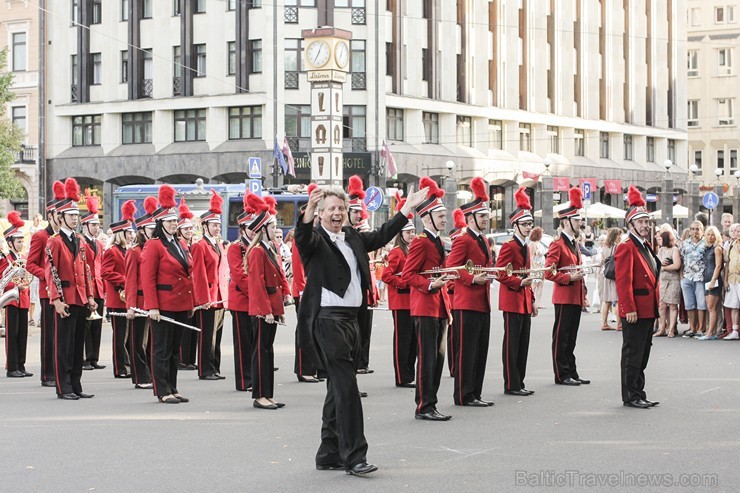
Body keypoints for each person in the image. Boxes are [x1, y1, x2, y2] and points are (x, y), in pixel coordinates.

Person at [295, 184, 426, 476]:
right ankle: (354, 457)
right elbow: (301, 236)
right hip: (327, 322)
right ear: (321, 213)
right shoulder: (314, 239)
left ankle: (328, 453)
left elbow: (380, 236)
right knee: (348, 390)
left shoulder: (351, 235)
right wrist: (308, 211)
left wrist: (406, 209)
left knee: (337, 389)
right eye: (331, 209)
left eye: (341, 208)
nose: (337, 213)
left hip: (353, 320)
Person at [402, 177, 455, 421]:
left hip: (440, 307)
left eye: (445, 215)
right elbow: (408, 275)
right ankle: (424, 405)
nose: (445, 220)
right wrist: (432, 284)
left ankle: (431, 403)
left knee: (439, 359)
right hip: (425, 307)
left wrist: (447, 276)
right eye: (441, 216)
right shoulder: (421, 243)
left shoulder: (438, 242)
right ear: (427, 218)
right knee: (427, 360)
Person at [140, 185, 195, 404]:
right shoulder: (154, 246)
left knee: (174, 350)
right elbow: (148, 277)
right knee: (161, 349)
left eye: (175, 221)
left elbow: (187, 273)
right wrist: (152, 306)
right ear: (161, 224)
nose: (174, 224)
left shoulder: (181, 243)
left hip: (181, 303)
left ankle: (173, 386)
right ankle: (162, 390)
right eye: (170, 221)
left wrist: (191, 301)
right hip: (163, 305)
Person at [46, 178, 97, 400]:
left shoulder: (80, 239)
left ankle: (76, 384)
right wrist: (56, 299)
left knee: (77, 345)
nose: (75, 219)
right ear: (61, 217)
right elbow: (51, 272)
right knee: (63, 345)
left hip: (80, 298)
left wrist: (91, 295)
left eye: (77, 216)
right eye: (71, 216)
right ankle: (63, 386)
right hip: (65, 298)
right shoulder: (54, 241)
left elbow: (86, 269)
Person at [446, 177, 494, 407]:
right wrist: (472, 277)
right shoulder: (463, 240)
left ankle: (475, 392)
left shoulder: (484, 239)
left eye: (486, 216)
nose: (486, 219)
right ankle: (464, 395)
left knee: (480, 351)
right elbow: (451, 268)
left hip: (482, 301)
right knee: (466, 352)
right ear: (471, 218)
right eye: (482, 216)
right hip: (466, 302)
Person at [615, 187, 660, 409]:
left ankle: (639, 392)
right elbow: (623, 282)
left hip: (648, 308)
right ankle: (631, 395)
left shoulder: (645, 245)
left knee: (643, 354)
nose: (645, 225)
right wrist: (628, 308)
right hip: (635, 310)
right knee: (633, 354)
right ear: (631, 224)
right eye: (641, 222)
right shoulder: (626, 247)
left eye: (647, 221)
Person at [245, 194, 290, 410]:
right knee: (260, 351)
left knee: (267, 350)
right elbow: (257, 283)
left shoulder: (269, 249)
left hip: (271, 307)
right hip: (263, 310)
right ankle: (260, 395)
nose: (276, 230)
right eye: (272, 227)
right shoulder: (256, 251)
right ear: (263, 229)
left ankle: (268, 393)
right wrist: (266, 310)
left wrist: (278, 308)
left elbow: (278, 280)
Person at [544, 187, 589, 386]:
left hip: (575, 296)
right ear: (566, 222)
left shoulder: (575, 243)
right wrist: (569, 278)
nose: (580, 223)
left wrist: (583, 289)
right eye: (577, 220)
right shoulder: (557, 244)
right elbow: (548, 272)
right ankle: (561, 374)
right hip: (563, 297)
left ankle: (571, 371)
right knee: (561, 337)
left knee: (571, 338)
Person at [496, 188, 537, 396]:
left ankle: (519, 381)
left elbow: (526, 273)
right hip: (512, 300)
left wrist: (533, 299)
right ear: (515, 225)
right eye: (524, 224)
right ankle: (511, 383)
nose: (528, 227)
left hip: (524, 300)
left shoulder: (526, 246)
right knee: (512, 345)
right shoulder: (509, 246)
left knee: (523, 344)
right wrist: (521, 283)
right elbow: (501, 274)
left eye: (530, 224)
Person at [26, 180, 65, 388]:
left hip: (65, 290)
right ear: (51, 215)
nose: (62, 218)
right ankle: (48, 374)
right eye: (59, 215)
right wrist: (48, 275)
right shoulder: (41, 236)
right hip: (47, 290)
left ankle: (61, 372)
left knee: (63, 336)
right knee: (49, 335)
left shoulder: (65, 236)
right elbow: (30, 264)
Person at [381, 194, 416, 388]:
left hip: (413, 301)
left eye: (413, 232)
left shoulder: (412, 250)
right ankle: (402, 376)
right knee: (402, 341)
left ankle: (409, 374)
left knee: (413, 342)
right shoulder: (396, 252)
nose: (411, 235)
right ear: (400, 234)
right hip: (401, 301)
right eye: (408, 232)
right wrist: (404, 282)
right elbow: (386, 275)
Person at [124, 196, 158, 390]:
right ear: (142, 231)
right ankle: (140, 376)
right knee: (139, 342)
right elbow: (130, 280)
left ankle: (151, 374)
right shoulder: (134, 251)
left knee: (152, 342)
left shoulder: (154, 248)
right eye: (150, 229)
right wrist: (130, 305)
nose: (153, 232)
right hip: (138, 300)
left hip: (152, 301)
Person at [292, 185, 322, 383]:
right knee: (305, 329)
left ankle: (312, 367)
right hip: (303, 290)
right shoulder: (301, 237)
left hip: (314, 290)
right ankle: (303, 368)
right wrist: (302, 288)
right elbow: (298, 266)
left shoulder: (317, 235)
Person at [228, 192, 256, 391]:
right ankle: (244, 380)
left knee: (254, 342)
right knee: (243, 343)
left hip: (255, 300)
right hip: (242, 300)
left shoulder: (258, 246)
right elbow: (240, 275)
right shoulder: (236, 247)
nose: (255, 231)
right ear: (243, 229)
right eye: (251, 228)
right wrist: (257, 294)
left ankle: (253, 377)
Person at [80, 196, 109, 373]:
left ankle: (94, 357)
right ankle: (85, 357)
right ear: (85, 226)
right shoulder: (80, 241)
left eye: (98, 225)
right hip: (86, 287)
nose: (96, 228)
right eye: (93, 225)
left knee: (97, 324)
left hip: (98, 286)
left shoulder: (98, 243)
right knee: (86, 326)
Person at [2, 212, 32, 378]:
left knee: (22, 334)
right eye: (18, 241)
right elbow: (3, 279)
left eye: (22, 241)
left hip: (24, 299)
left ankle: (21, 365)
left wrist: (24, 285)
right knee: (12, 334)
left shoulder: (22, 257)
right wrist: (16, 286)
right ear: (10, 242)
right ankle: (12, 367)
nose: (21, 244)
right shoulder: (5, 259)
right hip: (12, 299)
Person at [176, 198, 198, 370]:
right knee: (184, 329)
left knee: (192, 328)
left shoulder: (191, 245)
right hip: (182, 291)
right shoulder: (180, 246)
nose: (189, 231)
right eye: (186, 229)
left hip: (193, 291)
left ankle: (190, 359)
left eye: (191, 228)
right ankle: (183, 360)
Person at [445, 208, 467, 378]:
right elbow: (449, 278)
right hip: (452, 297)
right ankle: (454, 366)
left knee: (461, 337)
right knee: (453, 336)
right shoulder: (450, 257)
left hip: (460, 296)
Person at [680, 221, 707, 338]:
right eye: (693, 229)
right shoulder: (684, 243)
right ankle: (692, 328)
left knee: (701, 304)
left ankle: (701, 329)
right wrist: (681, 276)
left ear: (702, 230)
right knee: (689, 304)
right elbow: (681, 260)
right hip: (687, 277)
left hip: (700, 277)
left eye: (698, 229)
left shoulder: (706, 243)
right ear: (689, 230)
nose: (695, 231)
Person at [654, 230, 682, 337]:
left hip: (673, 280)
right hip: (663, 280)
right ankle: (662, 328)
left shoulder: (675, 250)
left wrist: (664, 268)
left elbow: (676, 265)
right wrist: (661, 267)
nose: (659, 240)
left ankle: (671, 329)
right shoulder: (661, 250)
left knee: (673, 305)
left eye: (660, 239)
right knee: (662, 305)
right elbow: (658, 263)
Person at [700, 226, 724, 340]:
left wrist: (713, 280)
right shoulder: (708, 248)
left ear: (717, 236)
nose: (710, 237)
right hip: (707, 278)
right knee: (711, 307)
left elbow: (719, 265)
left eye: (713, 234)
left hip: (714, 279)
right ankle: (711, 332)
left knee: (712, 307)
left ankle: (710, 333)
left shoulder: (717, 248)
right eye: (708, 234)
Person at [600, 228, 621, 331]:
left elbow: (603, 260)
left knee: (606, 300)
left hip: (606, 275)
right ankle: (619, 324)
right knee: (616, 300)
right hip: (614, 275)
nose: (620, 237)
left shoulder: (604, 247)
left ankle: (604, 323)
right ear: (615, 236)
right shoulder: (617, 247)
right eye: (619, 235)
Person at [723, 223, 740, 340]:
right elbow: (727, 264)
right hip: (732, 278)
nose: (736, 233)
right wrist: (725, 280)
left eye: (738, 231)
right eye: (734, 231)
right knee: (734, 305)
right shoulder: (730, 245)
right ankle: (735, 330)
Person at [528, 226, 547, 311]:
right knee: (534, 285)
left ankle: (538, 303)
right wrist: (534, 268)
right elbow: (531, 257)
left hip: (541, 267)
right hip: (536, 267)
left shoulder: (540, 243)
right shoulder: (532, 244)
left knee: (541, 284)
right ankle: (531, 301)